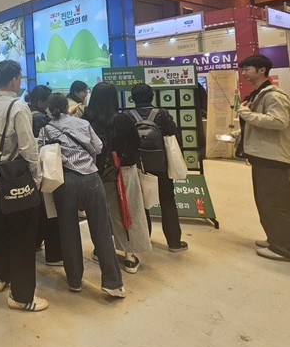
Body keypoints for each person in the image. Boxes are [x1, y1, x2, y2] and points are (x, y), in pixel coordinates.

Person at [0, 60, 48, 312]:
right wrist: (37, 177)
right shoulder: (18, 106)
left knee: (0, 229)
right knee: (22, 236)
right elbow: (29, 147)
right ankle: (22, 296)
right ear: (14, 80)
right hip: (16, 178)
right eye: (19, 78)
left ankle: (1, 276)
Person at [39, 93, 126, 298]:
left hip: (65, 181)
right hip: (91, 178)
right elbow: (98, 147)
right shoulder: (83, 123)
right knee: (101, 230)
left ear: (49, 110)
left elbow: (42, 155)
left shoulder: (46, 130)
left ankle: (75, 281)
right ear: (67, 107)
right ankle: (112, 283)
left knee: (68, 231)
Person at [236, 54, 290, 263]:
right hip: (264, 156)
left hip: (275, 158)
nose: (244, 73)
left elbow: (279, 122)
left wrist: (245, 114)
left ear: (262, 70)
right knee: (266, 203)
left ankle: (286, 249)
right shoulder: (260, 94)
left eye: (247, 69)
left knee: (275, 204)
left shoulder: (274, 95)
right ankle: (275, 239)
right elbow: (262, 123)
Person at [84, 82, 151, 274]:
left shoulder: (86, 120)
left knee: (100, 213)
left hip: (95, 173)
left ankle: (100, 250)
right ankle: (129, 255)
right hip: (123, 171)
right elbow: (135, 142)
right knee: (127, 210)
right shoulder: (122, 119)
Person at [129, 83, 188, 252]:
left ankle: (144, 240)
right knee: (167, 201)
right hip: (161, 164)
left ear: (133, 98)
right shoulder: (162, 114)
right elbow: (174, 137)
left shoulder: (127, 116)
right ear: (152, 96)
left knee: (141, 203)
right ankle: (174, 242)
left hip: (139, 166)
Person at [27, 85, 61, 267]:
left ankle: (35, 243)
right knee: (49, 211)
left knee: (38, 209)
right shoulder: (40, 118)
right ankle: (54, 255)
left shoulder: (26, 113)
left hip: (30, 167)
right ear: (40, 102)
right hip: (44, 166)